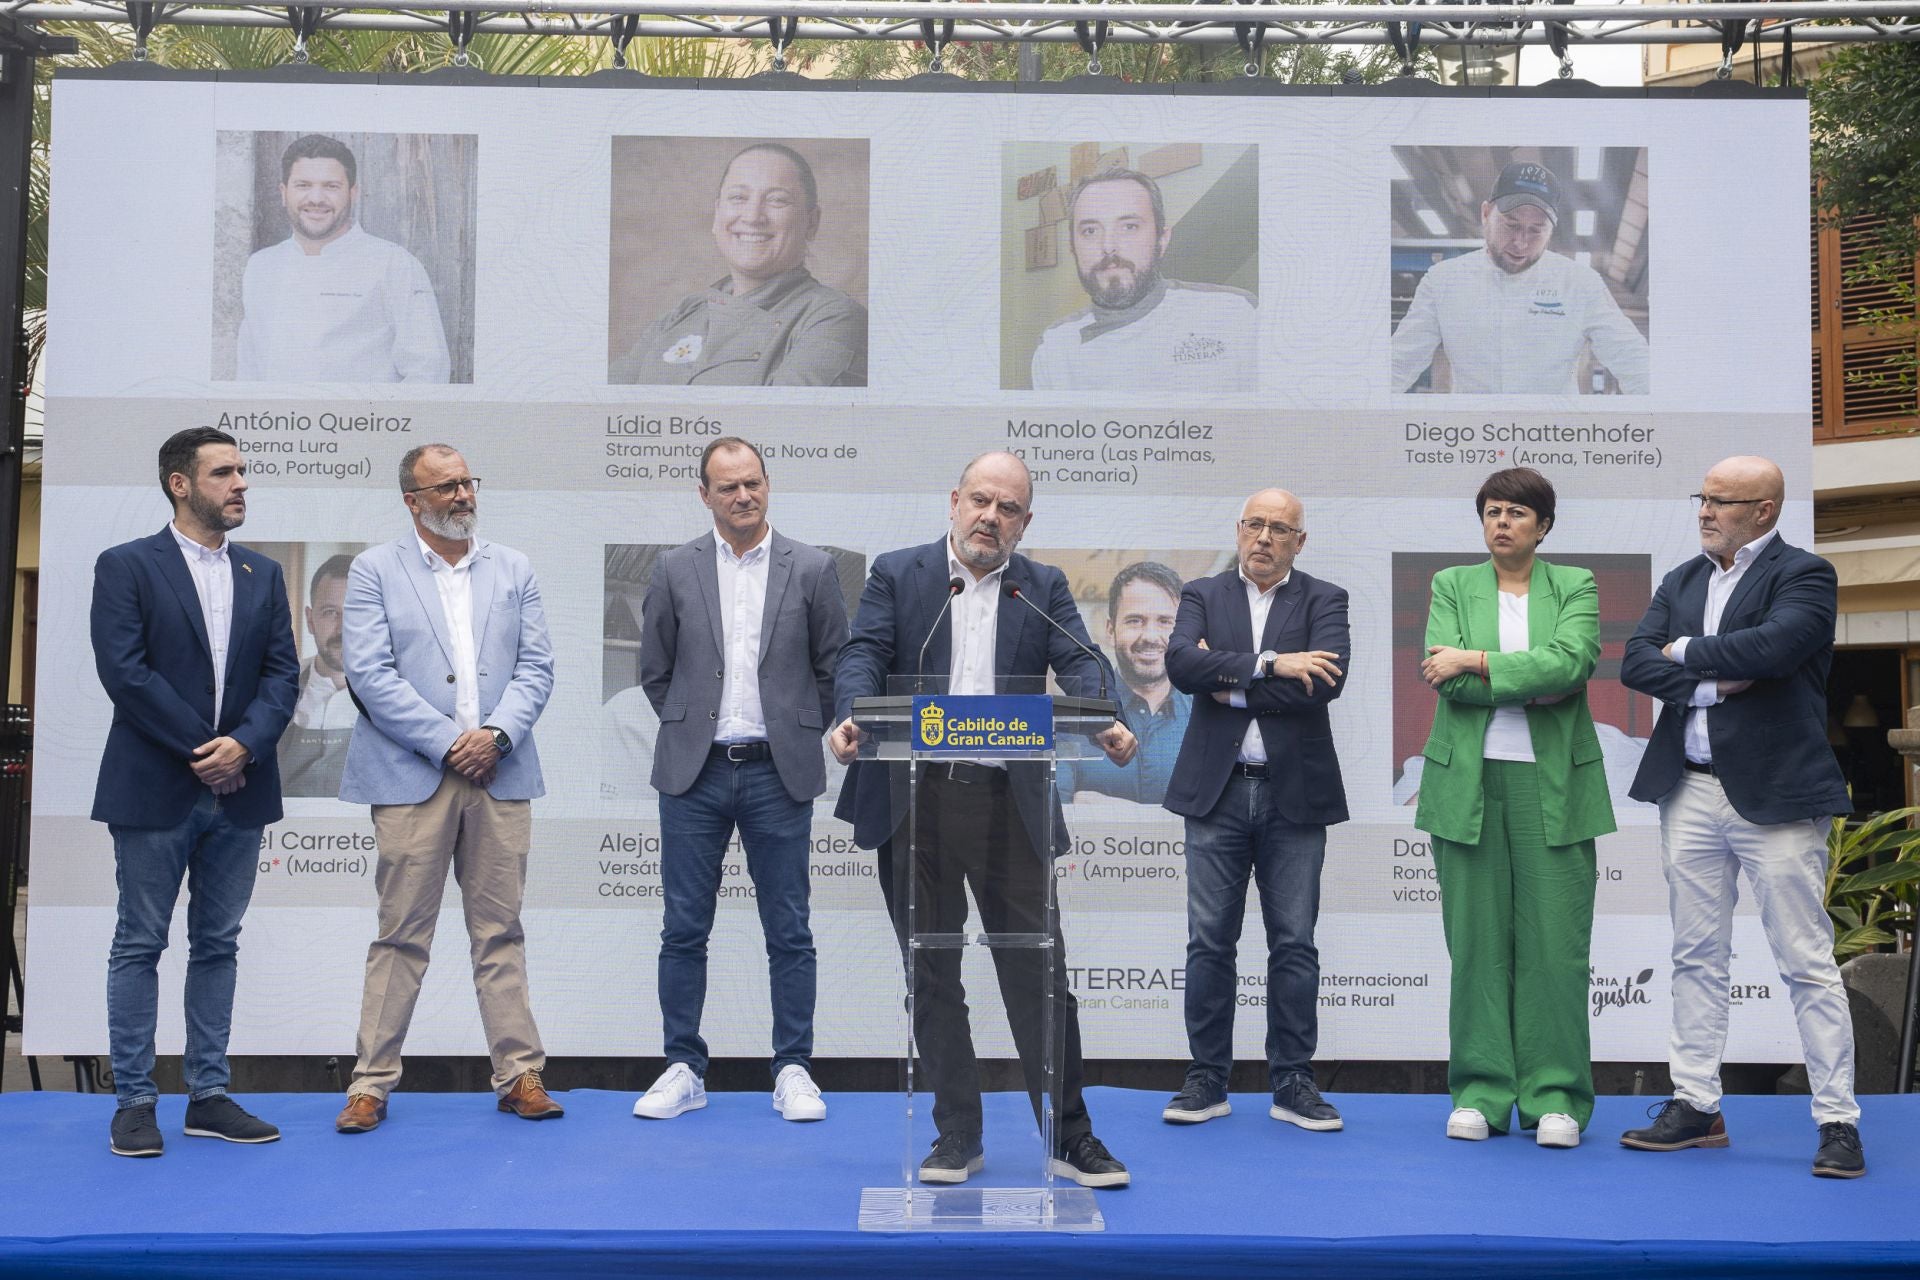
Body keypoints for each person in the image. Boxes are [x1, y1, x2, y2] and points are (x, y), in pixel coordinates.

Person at [828, 451, 1139, 1189]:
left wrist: (1103, 718)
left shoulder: (1042, 587)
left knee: (1039, 975)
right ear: (954, 501)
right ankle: (955, 1136)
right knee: (932, 973)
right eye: (979, 501)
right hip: (915, 801)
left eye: (1007, 509)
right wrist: (851, 716)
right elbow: (863, 656)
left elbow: (1085, 663)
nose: (989, 518)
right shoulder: (898, 575)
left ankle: (1070, 1137)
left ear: (1024, 523)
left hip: (1007, 806)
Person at [1618, 455, 1864, 1179]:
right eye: (1703, 498)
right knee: (1696, 954)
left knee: (1805, 961)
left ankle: (1838, 1120)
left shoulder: (1805, 575)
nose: (1704, 511)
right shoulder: (1684, 578)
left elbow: (1780, 648)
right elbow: (1635, 661)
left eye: (1722, 502)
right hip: (1688, 791)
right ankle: (1696, 1105)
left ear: (1764, 510)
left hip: (1778, 795)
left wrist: (1686, 654)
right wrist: (1716, 683)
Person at [333, 444, 561, 1133]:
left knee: (501, 933)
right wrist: (446, 743)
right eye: (446, 486)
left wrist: (494, 737)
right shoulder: (375, 569)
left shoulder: (513, 566)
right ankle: (370, 1084)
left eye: (467, 481)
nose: (463, 495)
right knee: (400, 935)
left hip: (501, 770)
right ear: (413, 500)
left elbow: (537, 667)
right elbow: (370, 676)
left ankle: (520, 1075)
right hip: (411, 778)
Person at [91, 426, 299, 1157]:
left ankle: (207, 1095)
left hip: (241, 789)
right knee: (139, 942)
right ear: (180, 484)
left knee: (218, 944)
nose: (241, 483)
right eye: (223, 473)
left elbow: (282, 676)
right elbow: (125, 673)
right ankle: (135, 1101)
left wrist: (242, 745)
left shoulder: (263, 575)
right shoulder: (126, 567)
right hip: (155, 789)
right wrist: (203, 750)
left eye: (243, 471)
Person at [630, 438, 849, 1123]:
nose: (743, 496)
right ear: (704, 495)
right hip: (693, 774)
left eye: (752, 483)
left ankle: (792, 1069)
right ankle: (683, 1067)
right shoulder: (674, 568)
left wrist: (796, 727)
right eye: (727, 487)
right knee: (683, 929)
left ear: (768, 485)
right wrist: (692, 724)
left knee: (789, 929)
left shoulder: (812, 568)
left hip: (777, 773)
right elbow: (655, 670)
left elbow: (833, 666)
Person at [1414, 468, 1616, 1148]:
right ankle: (1480, 1092)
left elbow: (1571, 665)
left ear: (1543, 526)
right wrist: (1519, 678)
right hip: (1466, 784)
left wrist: (1474, 660)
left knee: (1556, 949)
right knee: (1475, 948)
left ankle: (1555, 1097)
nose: (1502, 522)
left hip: (1554, 786)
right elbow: (1447, 686)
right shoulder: (1451, 584)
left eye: (1517, 513)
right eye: (1492, 511)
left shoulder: (1576, 585)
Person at [1159, 491, 1350, 1130]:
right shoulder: (1201, 594)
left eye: (1279, 528)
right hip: (1217, 792)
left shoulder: (1325, 599)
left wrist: (1232, 683)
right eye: (1254, 524)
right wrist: (1273, 665)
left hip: (1295, 792)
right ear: (1238, 530)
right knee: (1209, 942)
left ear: (1300, 541)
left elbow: (1323, 683)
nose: (1264, 537)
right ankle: (1205, 1080)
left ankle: (1293, 1081)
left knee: (1293, 944)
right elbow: (1182, 665)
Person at [612, 142, 867, 386]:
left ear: (811, 222)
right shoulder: (680, 316)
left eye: (777, 200)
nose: (753, 216)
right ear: (717, 215)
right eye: (738, 198)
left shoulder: (834, 320)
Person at [1391, 161, 1649, 395]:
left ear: (1552, 230)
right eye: (1510, 225)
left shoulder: (1580, 284)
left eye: (1536, 230)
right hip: (1474, 438)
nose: (1521, 242)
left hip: (1551, 438)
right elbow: (1398, 363)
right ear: (1485, 213)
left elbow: (1634, 362)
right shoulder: (1443, 282)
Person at [235, 134, 452, 383]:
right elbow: (248, 371)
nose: (316, 198)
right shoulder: (261, 267)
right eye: (303, 185)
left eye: (331, 186)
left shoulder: (393, 265)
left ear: (353, 192)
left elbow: (428, 371)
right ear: (284, 193)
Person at [1030, 168, 1257, 393]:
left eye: (1129, 227)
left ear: (1162, 240)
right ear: (1072, 247)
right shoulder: (1055, 349)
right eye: (1090, 231)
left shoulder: (1235, 314)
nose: (1108, 246)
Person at [1058, 561, 1193, 805]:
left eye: (1164, 621)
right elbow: (1057, 814)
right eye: (1135, 621)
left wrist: (1116, 811)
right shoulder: (1075, 718)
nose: (1150, 637)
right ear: (1110, 630)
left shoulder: (1205, 715)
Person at [277, 552, 358, 797]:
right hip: (286, 832)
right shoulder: (276, 686)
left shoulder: (402, 693)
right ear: (310, 620)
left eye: (356, 612)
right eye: (330, 612)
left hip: (362, 832)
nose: (343, 628)